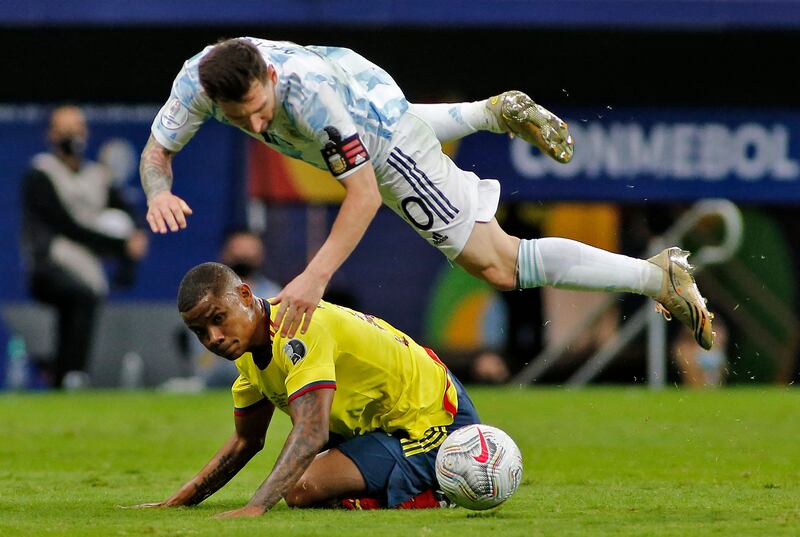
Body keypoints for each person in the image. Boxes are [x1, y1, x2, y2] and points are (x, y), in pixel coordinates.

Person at [140, 37, 713, 350]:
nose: (259, 127)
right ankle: (488, 113)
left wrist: (313, 278)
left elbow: (363, 194)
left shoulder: (311, 102)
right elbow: (156, 153)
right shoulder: (199, 82)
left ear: (268, 76)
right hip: (360, 84)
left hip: (373, 125)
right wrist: (157, 193)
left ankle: (657, 275)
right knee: (377, 133)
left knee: (498, 265)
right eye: (244, 120)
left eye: (262, 111)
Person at [135, 262, 480, 515]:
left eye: (218, 319)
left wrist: (256, 507)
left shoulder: (296, 327)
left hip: (437, 420)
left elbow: (312, 431)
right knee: (305, 485)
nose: (213, 338)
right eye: (200, 331)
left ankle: (436, 492)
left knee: (302, 488)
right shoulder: (247, 354)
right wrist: (181, 499)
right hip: (386, 425)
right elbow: (246, 440)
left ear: (244, 295)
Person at [20, 105, 149, 388]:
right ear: (51, 135)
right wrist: (118, 244)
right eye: (65, 130)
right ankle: (71, 372)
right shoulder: (41, 173)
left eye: (76, 129)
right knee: (81, 297)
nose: (71, 136)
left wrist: (135, 236)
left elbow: (125, 213)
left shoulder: (97, 175)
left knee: (83, 299)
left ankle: (62, 371)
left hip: (86, 263)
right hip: (49, 262)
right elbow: (66, 225)